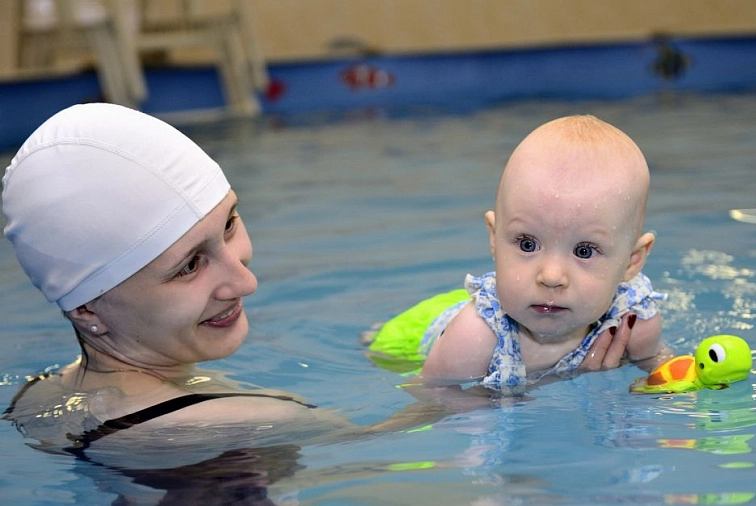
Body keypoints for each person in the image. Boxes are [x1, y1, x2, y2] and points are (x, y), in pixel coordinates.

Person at [1, 103, 438, 456]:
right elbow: (391, 454)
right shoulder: (240, 420)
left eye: (229, 225)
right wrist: (451, 373)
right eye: (189, 265)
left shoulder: (40, 395)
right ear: (86, 309)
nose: (245, 282)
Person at [367, 115, 668, 395]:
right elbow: (430, 400)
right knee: (374, 345)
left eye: (584, 251)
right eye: (527, 244)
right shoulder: (474, 336)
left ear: (632, 260)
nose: (551, 276)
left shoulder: (633, 322)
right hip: (411, 335)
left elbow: (661, 367)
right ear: (494, 238)